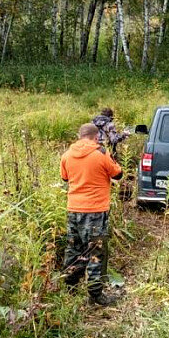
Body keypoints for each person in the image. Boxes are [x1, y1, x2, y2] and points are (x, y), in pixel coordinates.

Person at [60, 123, 123, 306]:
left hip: (73, 210)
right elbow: (118, 174)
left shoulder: (67, 155)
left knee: (74, 248)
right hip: (95, 211)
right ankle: (95, 295)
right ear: (96, 137)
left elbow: (65, 178)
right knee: (96, 252)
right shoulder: (101, 154)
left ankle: (69, 285)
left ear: (80, 136)